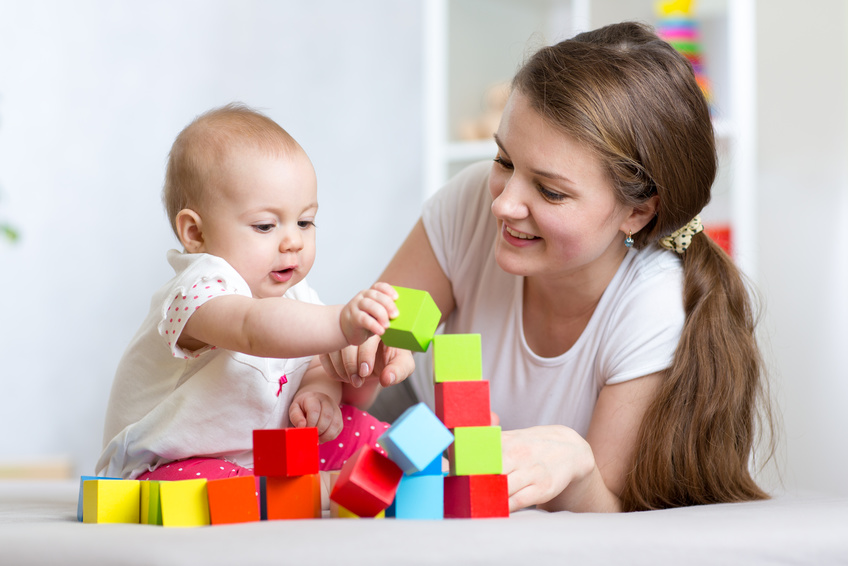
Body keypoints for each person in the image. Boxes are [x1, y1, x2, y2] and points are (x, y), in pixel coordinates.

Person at [322, 22, 775, 513]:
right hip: (411, 426)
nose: (503, 204)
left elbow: (611, 517)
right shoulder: (471, 202)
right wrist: (345, 365)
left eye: (550, 191)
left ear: (637, 211)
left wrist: (576, 468)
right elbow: (365, 357)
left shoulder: (652, 307)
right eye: (503, 159)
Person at [96, 103, 400, 483]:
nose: (293, 241)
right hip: (164, 462)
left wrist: (319, 395)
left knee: (364, 433)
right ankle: (286, 495)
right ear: (195, 233)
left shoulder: (297, 295)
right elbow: (252, 327)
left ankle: (419, 471)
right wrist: (341, 323)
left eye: (305, 221)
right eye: (265, 225)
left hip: (262, 454)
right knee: (233, 492)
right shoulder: (197, 289)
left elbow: (317, 363)